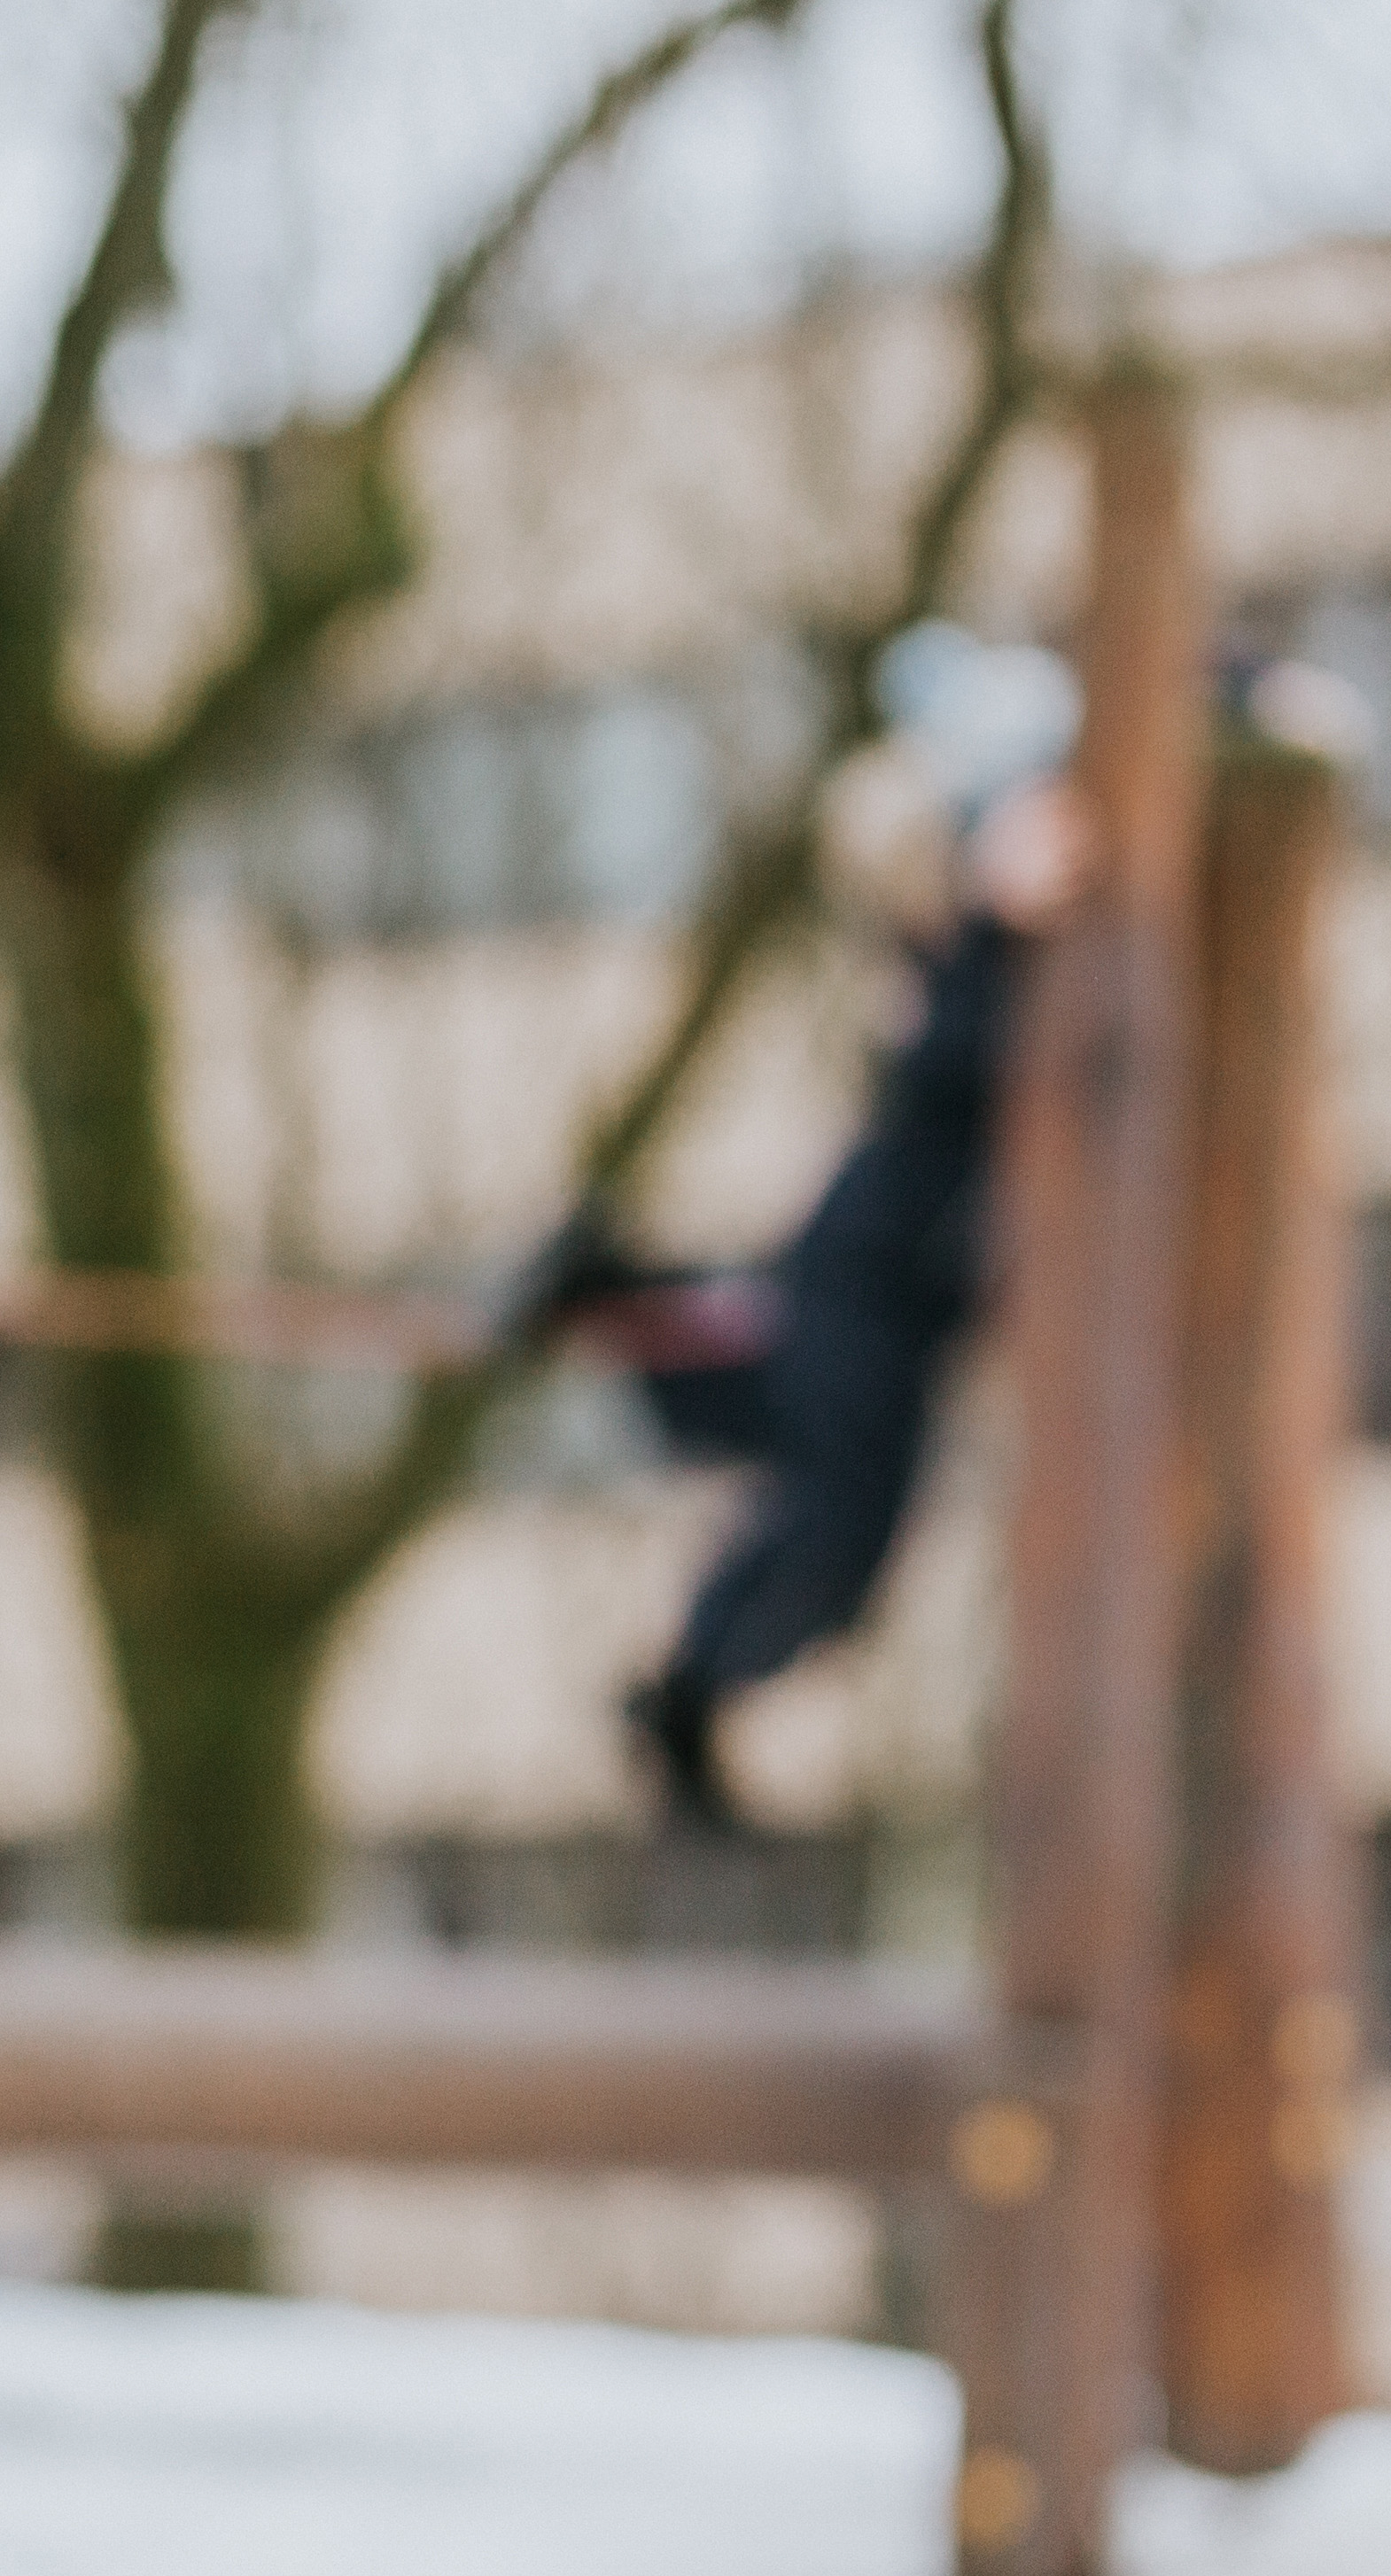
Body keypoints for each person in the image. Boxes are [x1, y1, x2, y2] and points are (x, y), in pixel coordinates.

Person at [529, 626, 1088, 1833]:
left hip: (877, 1258)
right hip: (886, 1261)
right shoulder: (997, 944)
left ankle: (621, 1302)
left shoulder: (986, 946)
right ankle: (622, 1306)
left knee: (802, 1444)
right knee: (840, 1502)